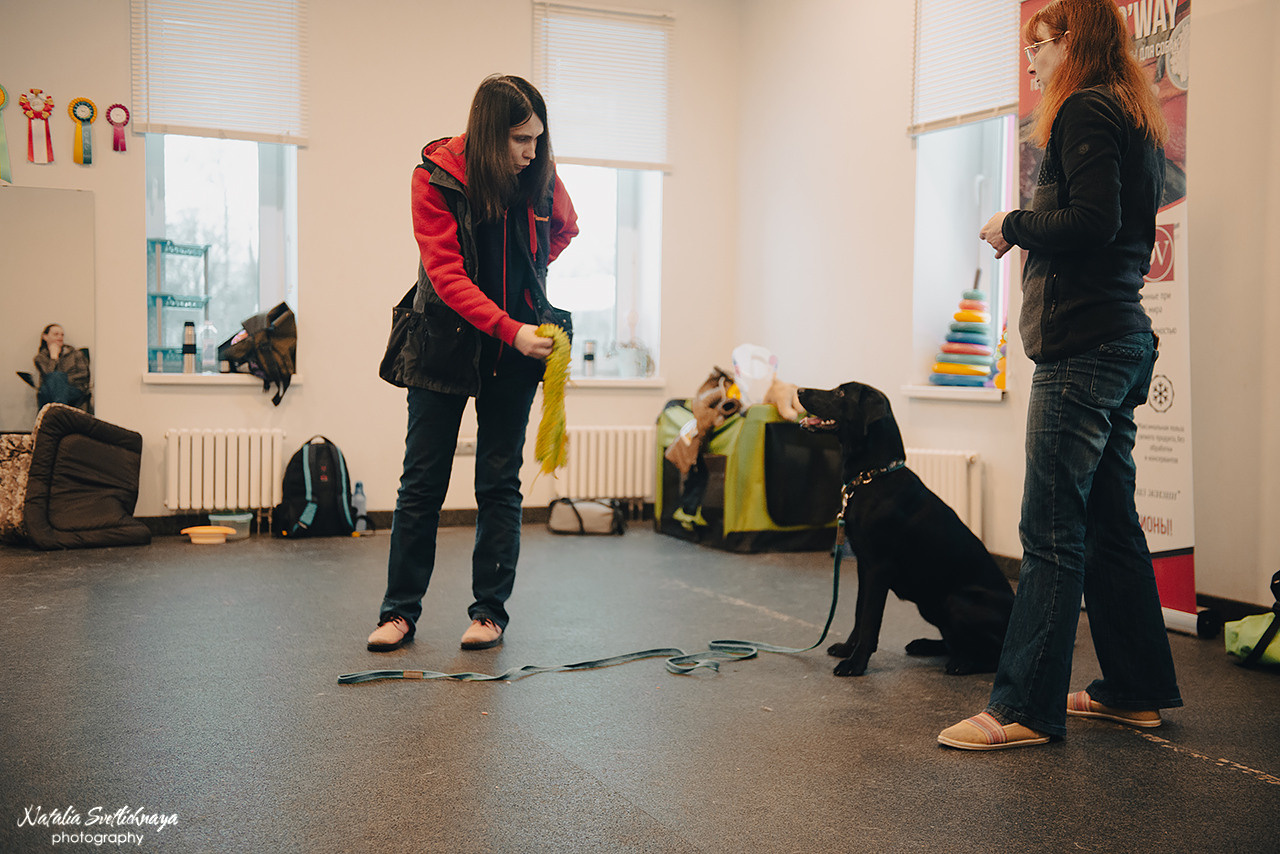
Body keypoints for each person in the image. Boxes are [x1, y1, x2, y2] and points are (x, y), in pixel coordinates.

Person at [938, 0, 1182, 750]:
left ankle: (1022, 710)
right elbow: (1113, 223)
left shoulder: (1082, 111)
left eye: (1043, 45)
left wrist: (1011, 224)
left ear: (1080, 45)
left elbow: (1091, 223)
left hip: (1084, 349)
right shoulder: (1129, 116)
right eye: (1030, 46)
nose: (1033, 61)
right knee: (1110, 523)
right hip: (1118, 342)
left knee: (1049, 529)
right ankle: (1133, 690)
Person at [367, 75, 578, 653]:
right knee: (422, 484)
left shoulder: (539, 177)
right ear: (488, 135)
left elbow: (565, 228)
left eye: (537, 138)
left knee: (498, 483)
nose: (531, 152)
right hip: (445, 341)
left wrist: (530, 278)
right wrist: (507, 325)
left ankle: (489, 614)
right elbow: (447, 275)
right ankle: (399, 613)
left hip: (518, 351)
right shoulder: (434, 178)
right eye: (519, 140)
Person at [33, 324, 91, 410]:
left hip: (73, 389)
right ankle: (60, 411)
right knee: (50, 383)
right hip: (50, 390)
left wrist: (63, 381)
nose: (60, 337)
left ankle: (58, 412)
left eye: (62, 335)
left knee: (56, 378)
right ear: (45, 337)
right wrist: (54, 357)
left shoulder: (76, 354)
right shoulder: (40, 358)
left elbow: (84, 374)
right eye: (56, 334)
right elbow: (48, 376)